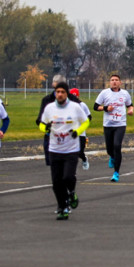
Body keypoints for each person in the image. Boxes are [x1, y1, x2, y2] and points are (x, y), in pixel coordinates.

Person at [39, 82, 90, 220]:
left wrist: (77, 131)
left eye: (62, 92)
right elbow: (42, 125)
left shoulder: (75, 107)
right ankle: (63, 207)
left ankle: (72, 192)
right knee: (56, 183)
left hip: (71, 149)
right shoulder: (49, 108)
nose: (60, 94)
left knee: (67, 177)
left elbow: (86, 122)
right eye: (58, 92)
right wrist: (46, 129)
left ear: (67, 93)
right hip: (55, 149)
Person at [94, 74, 133, 182]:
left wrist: (130, 110)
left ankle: (116, 172)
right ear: (109, 82)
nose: (114, 82)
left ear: (120, 82)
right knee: (109, 149)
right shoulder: (104, 93)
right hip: (108, 124)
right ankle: (111, 156)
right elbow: (95, 107)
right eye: (112, 80)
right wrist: (106, 108)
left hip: (120, 124)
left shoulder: (125, 93)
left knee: (117, 146)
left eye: (116, 80)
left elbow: (130, 104)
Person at [69, 88, 92, 169]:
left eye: (76, 96)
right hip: (70, 133)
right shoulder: (67, 106)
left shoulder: (82, 105)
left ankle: (84, 159)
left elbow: (89, 117)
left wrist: (83, 123)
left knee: (80, 152)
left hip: (81, 132)